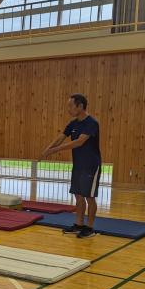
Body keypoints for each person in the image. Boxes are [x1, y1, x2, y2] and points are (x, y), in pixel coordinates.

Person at [40, 93, 101, 238]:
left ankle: (90, 228)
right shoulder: (73, 123)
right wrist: (47, 150)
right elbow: (61, 137)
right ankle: (79, 225)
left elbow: (79, 142)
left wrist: (56, 150)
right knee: (78, 196)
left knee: (89, 197)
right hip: (78, 165)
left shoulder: (91, 123)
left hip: (91, 165)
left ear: (80, 106)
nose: (68, 109)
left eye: (70, 106)